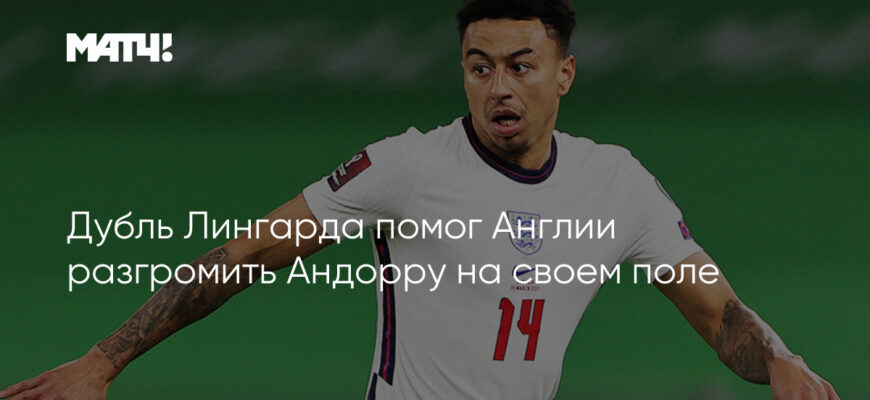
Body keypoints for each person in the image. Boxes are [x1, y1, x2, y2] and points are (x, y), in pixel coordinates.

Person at [0, 1, 840, 399]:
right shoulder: (406, 167)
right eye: (480, 66)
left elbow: (718, 314)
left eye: (521, 65)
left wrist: (779, 361)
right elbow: (251, 251)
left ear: (564, 74)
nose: (499, 86)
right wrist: (103, 362)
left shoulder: (616, 183)